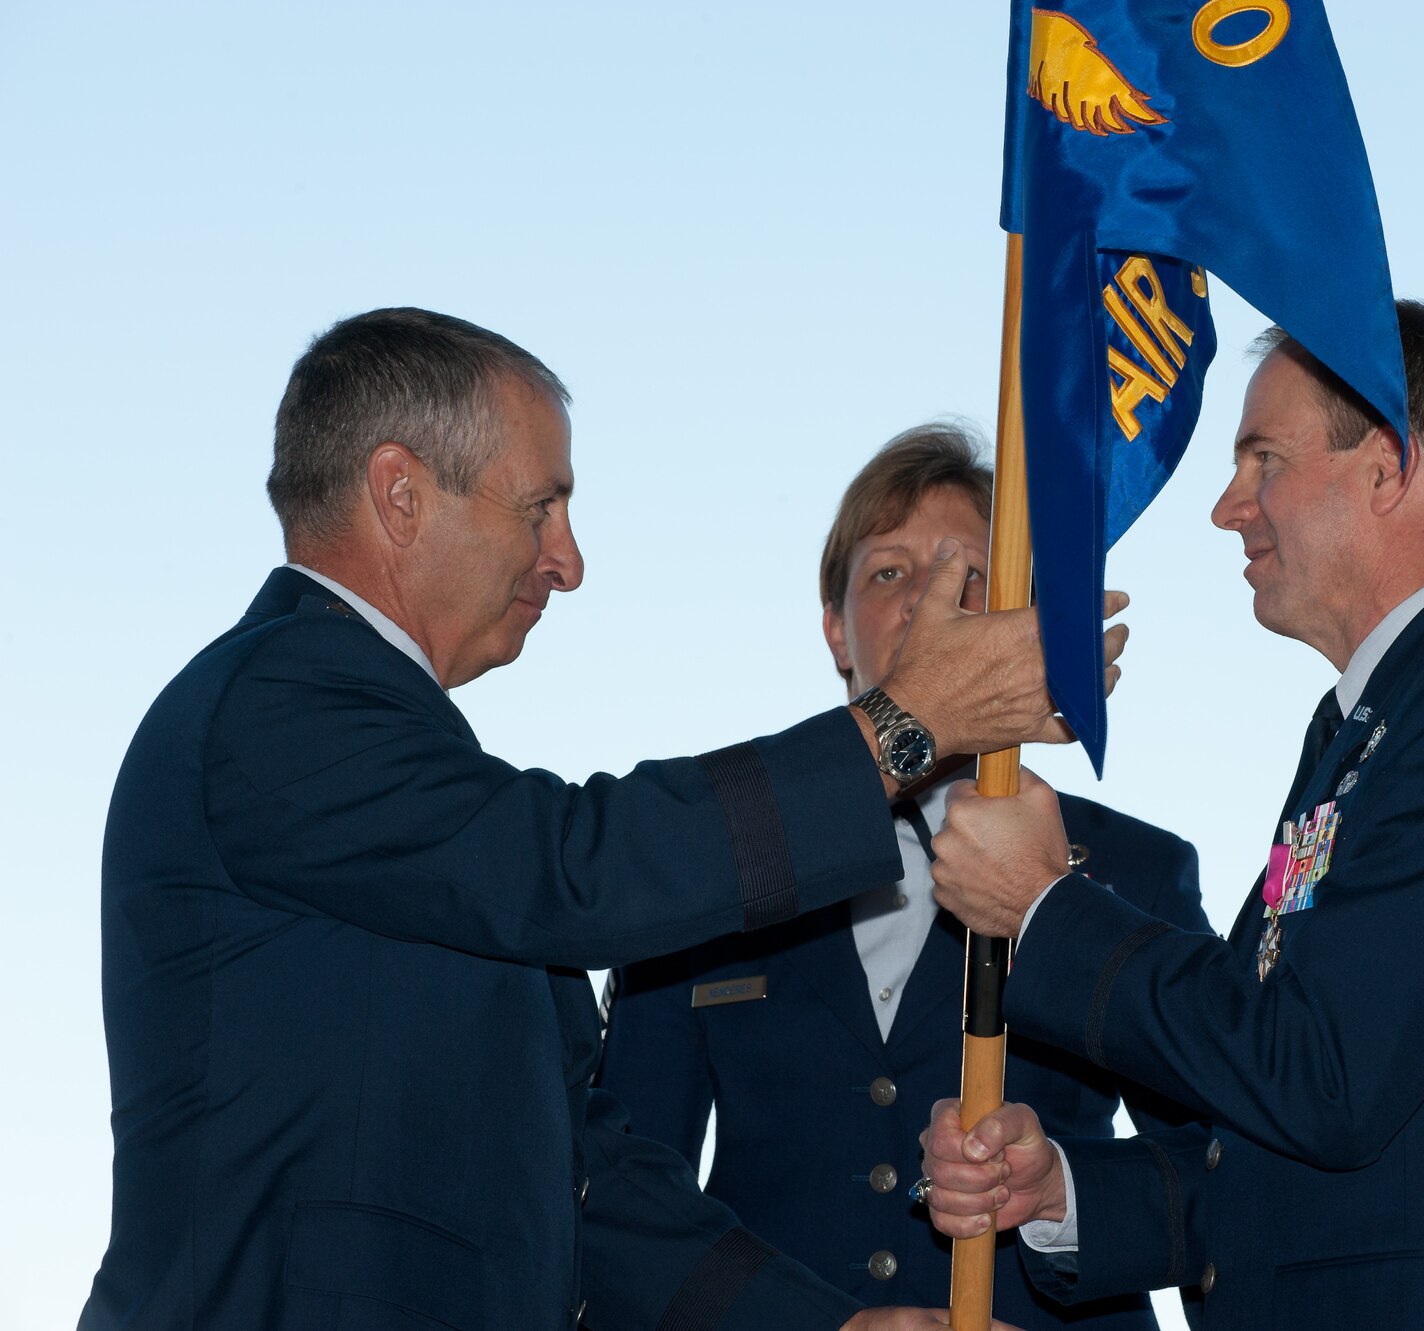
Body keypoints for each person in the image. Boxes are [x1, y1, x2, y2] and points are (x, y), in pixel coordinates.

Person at [81, 308, 1113, 1330]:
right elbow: (580, 866)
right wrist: (901, 723)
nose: (567, 560)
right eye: (539, 507)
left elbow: (579, 1171)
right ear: (400, 493)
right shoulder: (277, 703)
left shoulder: (398, 765)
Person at [918, 303, 1424, 1329]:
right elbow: (1274, 1131)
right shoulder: (1377, 721)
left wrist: (1044, 905)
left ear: (1386, 463)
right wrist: (1062, 1192)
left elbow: (1320, 1077)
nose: (1226, 505)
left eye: (1261, 458)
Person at [595, 424, 1209, 1328]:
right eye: (889, 572)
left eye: (970, 576)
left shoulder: (1135, 870)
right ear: (835, 630)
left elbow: (1219, 1176)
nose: (929, 602)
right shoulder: (713, 859)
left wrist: (1066, 1198)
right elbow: (622, 1196)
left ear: (1015, 617)